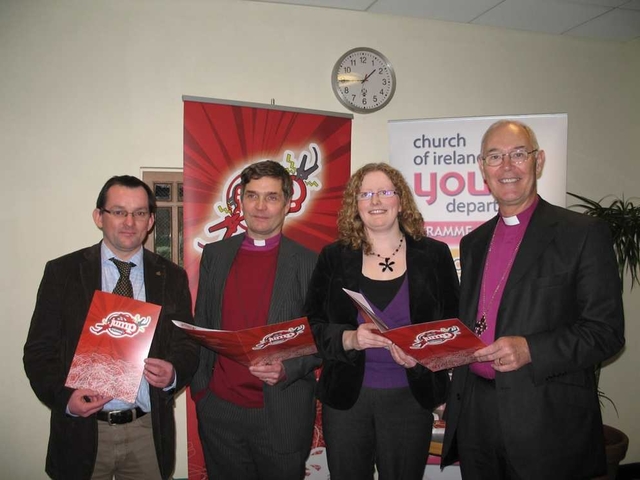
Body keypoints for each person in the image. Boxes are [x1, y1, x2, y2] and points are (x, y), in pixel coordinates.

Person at [441, 120, 625, 479]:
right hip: (477, 417)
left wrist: (531, 350)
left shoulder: (582, 234)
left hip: (546, 423)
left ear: (538, 161)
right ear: (482, 168)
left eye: (518, 154)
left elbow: (606, 332)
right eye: (494, 157)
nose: (506, 167)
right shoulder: (474, 242)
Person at [23, 175, 199, 480]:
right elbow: (38, 352)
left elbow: (186, 346)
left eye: (140, 213)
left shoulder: (171, 276)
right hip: (82, 430)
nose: (129, 222)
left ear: (151, 221)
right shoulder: (62, 272)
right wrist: (65, 400)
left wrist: (173, 374)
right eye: (118, 211)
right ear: (99, 217)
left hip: (147, 430)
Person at [305, 162, 460, 480]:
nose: (375, 201)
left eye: (385, 192)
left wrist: (421, 352)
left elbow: (453, 329)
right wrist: (349, 339)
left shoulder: (434, 255)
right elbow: (313, 325)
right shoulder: (333, 257)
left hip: (411, 397)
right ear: (355, 205)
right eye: (365, 194)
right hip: (347, 400)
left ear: (400, 201)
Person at [191, 160, 320, 480]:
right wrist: (201, 392)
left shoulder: (311, 262)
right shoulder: (215, 256)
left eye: (272, 197)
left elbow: (321, 337)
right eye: (252, 196)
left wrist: (287, 368)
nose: (261, 206)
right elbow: (203, 322)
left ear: (288, 204)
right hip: (220, 410)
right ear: (240, 200)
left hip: (282, 412)